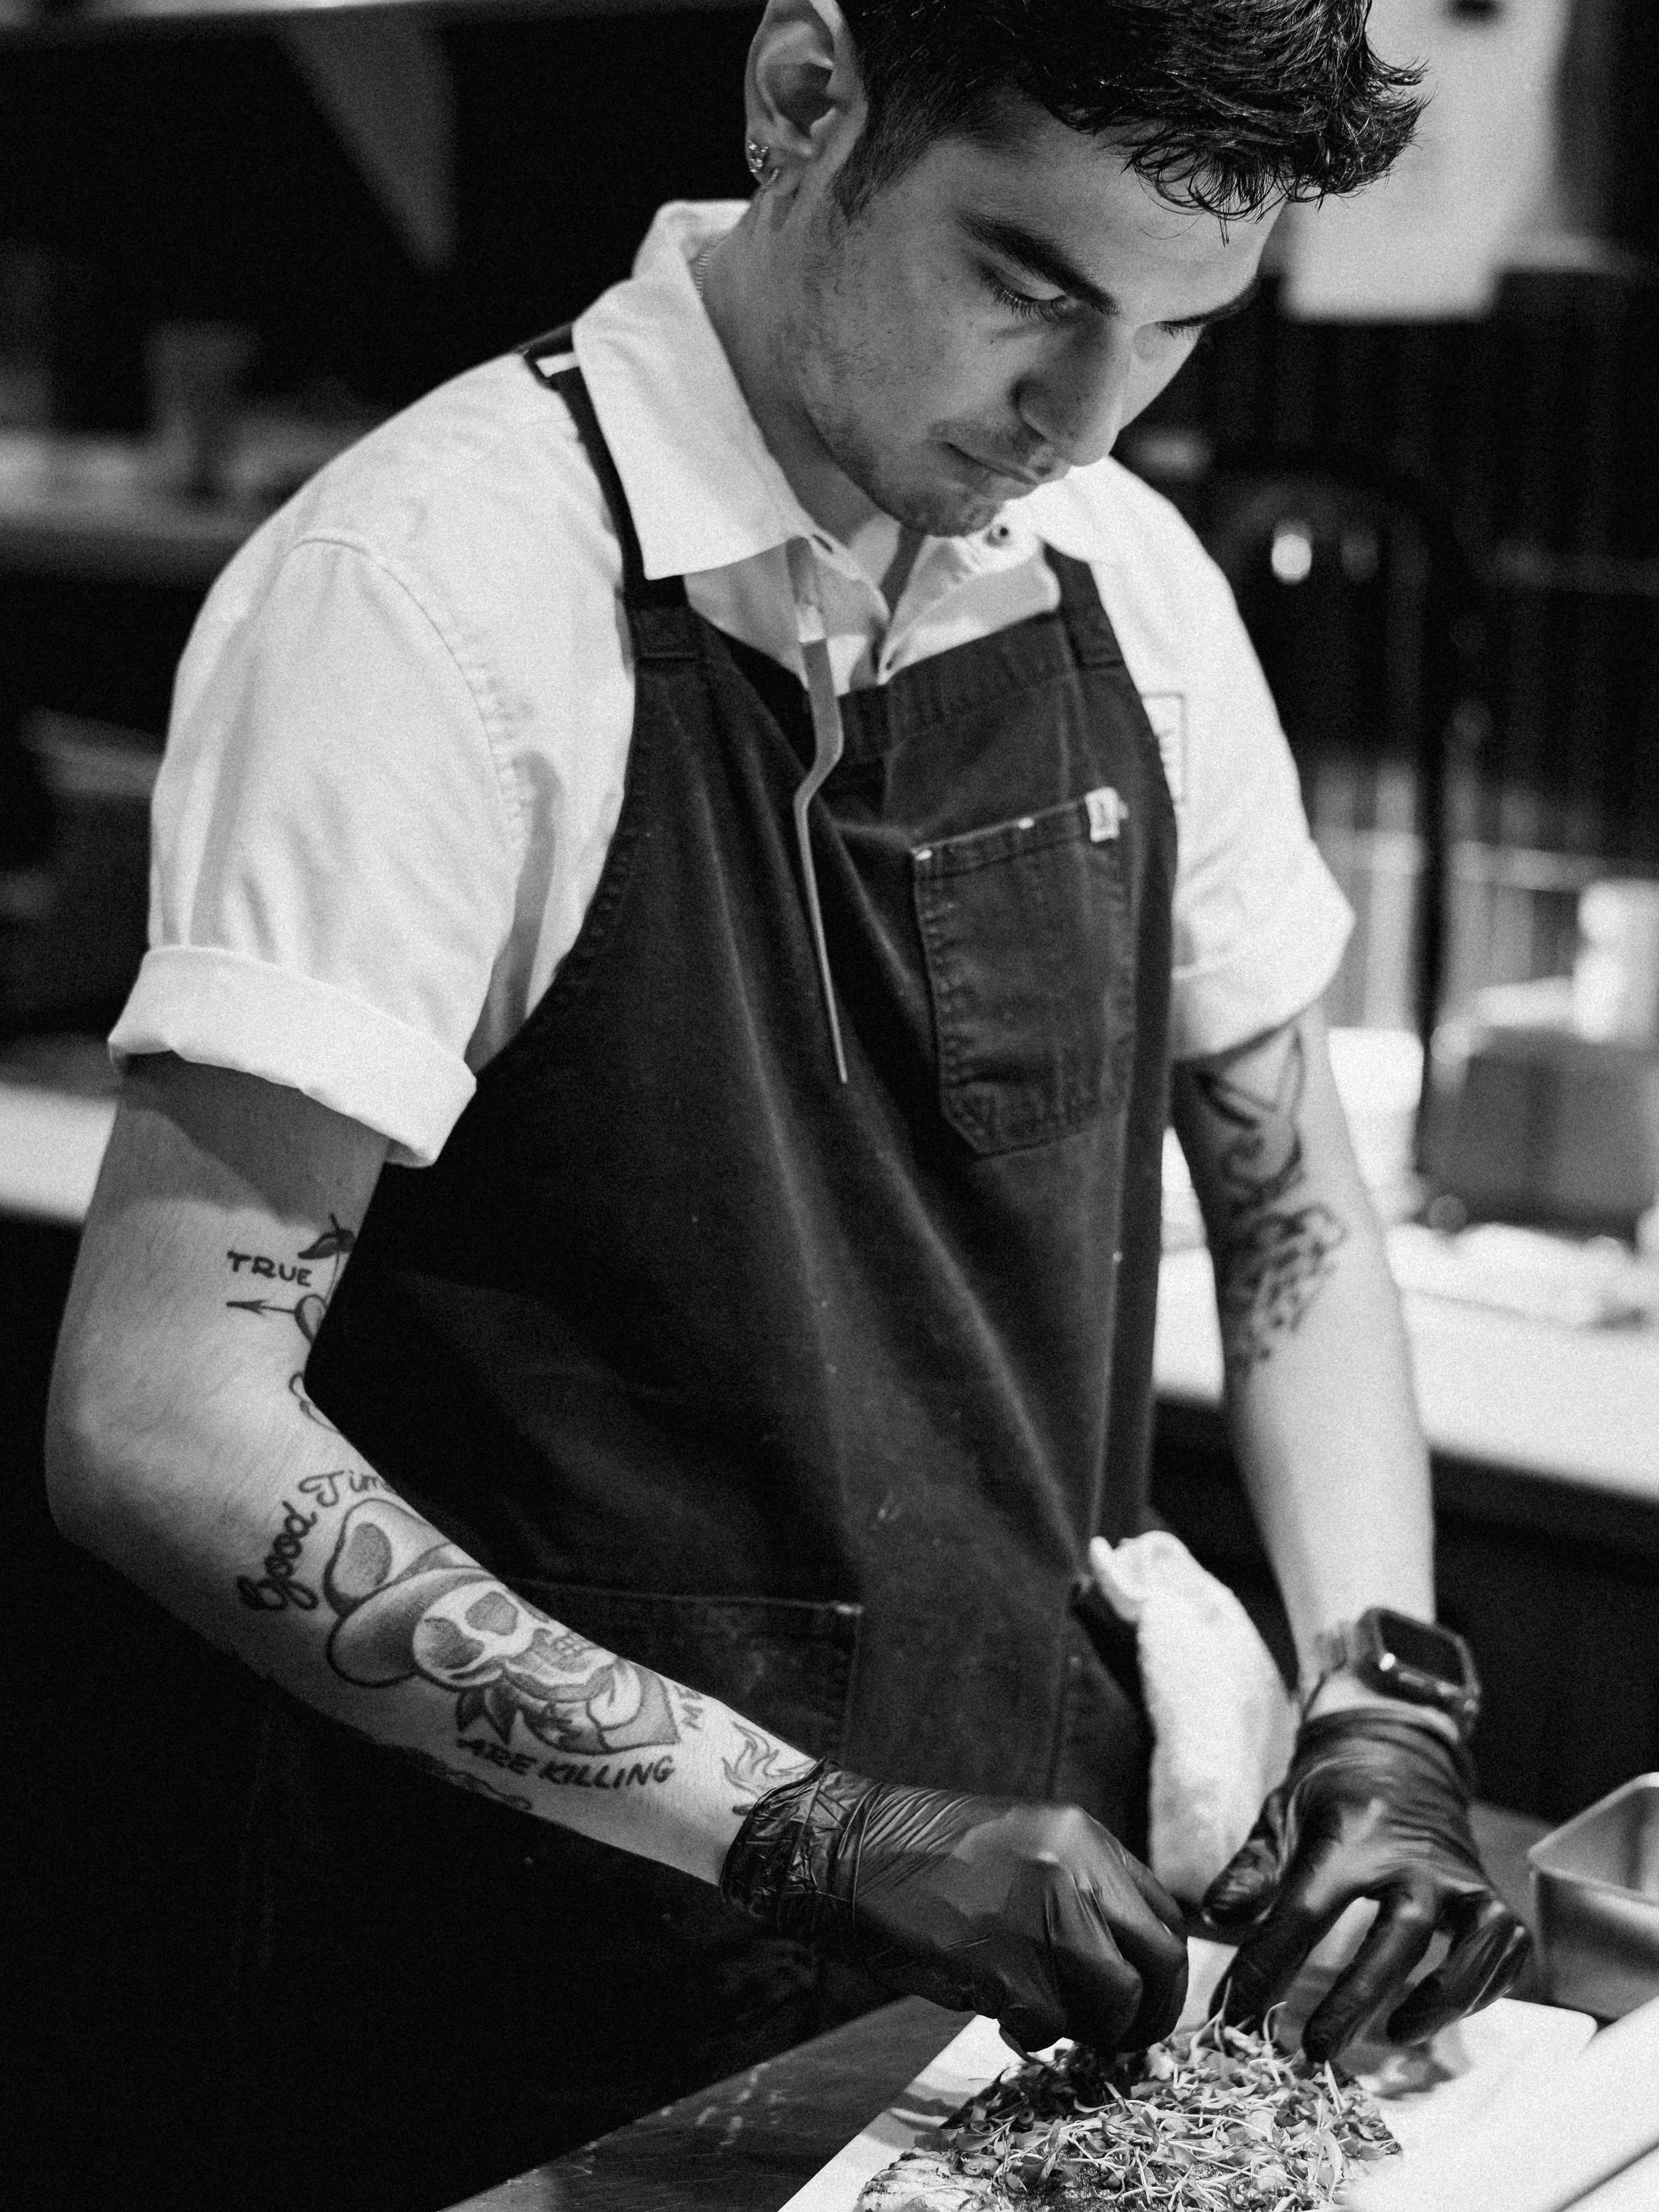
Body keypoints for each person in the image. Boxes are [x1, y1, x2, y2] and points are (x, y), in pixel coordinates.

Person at [46, 3, 1530, 2207]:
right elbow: (158, 1419)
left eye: (1176, 328)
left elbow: (1288, 1191)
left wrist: (1385, 1702)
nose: (1083, 409)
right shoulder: (432, 596)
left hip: (1007, 2002)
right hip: (526, 2005)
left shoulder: (1127, 579)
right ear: (807, 100)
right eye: (1024, 285)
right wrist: (802, 1820)